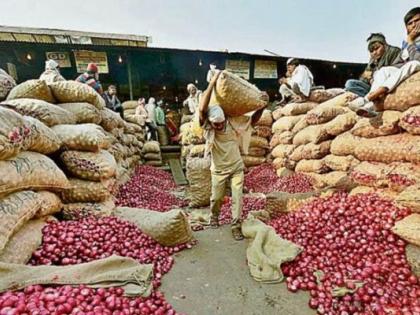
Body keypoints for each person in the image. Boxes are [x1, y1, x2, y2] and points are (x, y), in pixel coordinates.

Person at [199, 71, 269, 241]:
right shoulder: (207, 127)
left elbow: (252, 121)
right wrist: (213, 81)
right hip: (218, 169)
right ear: (211, 122)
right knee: (216, 198)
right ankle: (214, 216)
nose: (219, 125)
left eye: (221, 122)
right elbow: (202, 108)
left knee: (237, 197)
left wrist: (263, 106)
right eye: (216, 124)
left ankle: (236, 225)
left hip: (236, 167)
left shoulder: (232, 122)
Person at [349, 7, 420, 117]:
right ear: (407, 27)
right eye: (410, 23)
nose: (414, 25)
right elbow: (398, 64)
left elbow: (416, 60)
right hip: (402, 73)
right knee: (383, 71)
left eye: (417, 20)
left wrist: (410, 41)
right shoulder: (405, 44)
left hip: (415, 68)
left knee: (414, 63)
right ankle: (370, 105)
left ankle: (368, 98)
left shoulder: (401, 46)